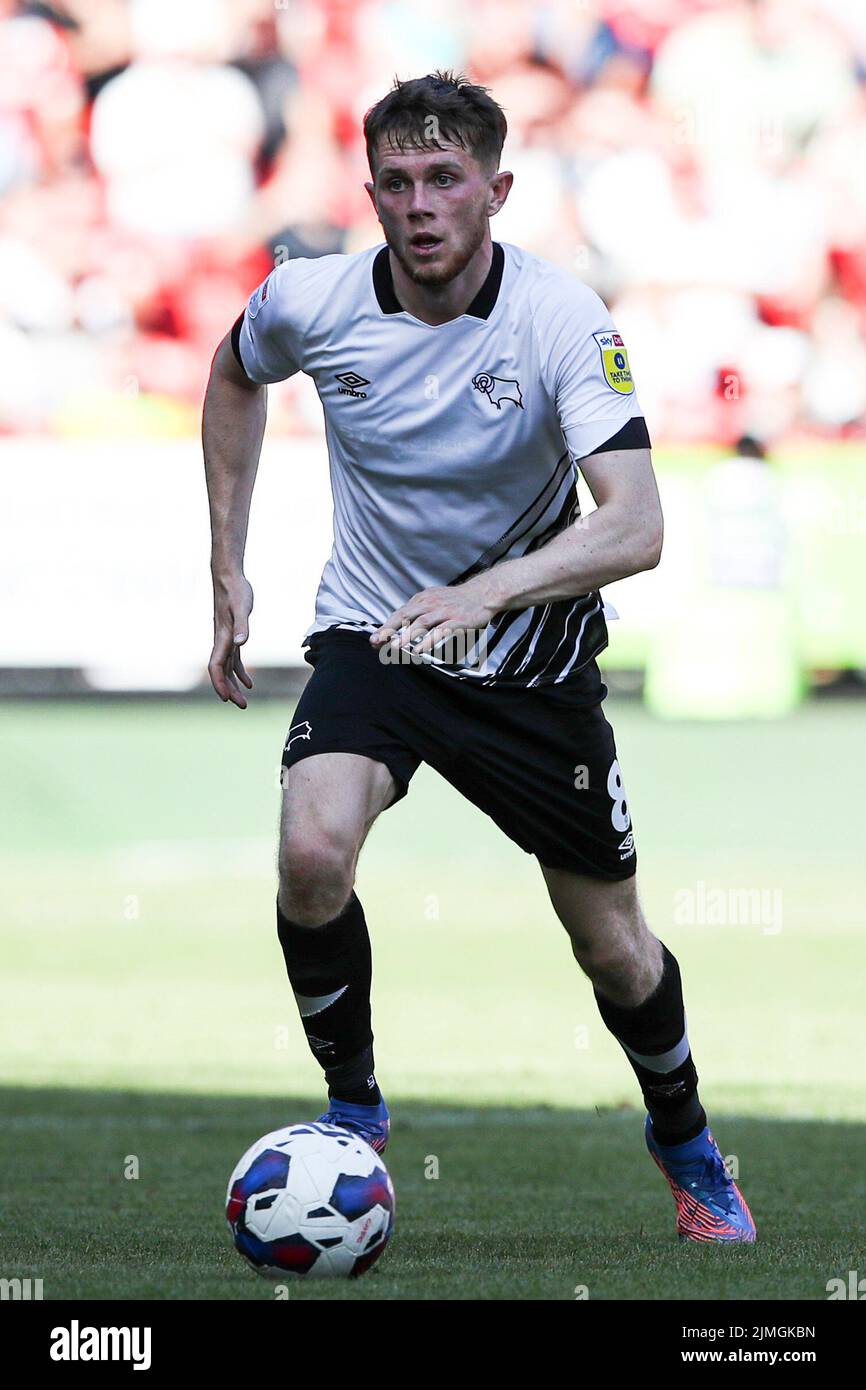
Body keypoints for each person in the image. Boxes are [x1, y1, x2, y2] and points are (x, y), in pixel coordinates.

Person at [202, 70, 755, 1243]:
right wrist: (227, 561)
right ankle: (354, 1111)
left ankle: (689, 1147)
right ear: (369, 192)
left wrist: (486, 593)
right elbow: (232, 371)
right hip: (379, 633)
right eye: (397, 181)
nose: (420, 203)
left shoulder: (560, 318)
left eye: (445, 178)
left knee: (610, 945)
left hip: (530, 667)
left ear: (495, 189)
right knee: (310, 849)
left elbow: (636, 523)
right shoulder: (312, 298)